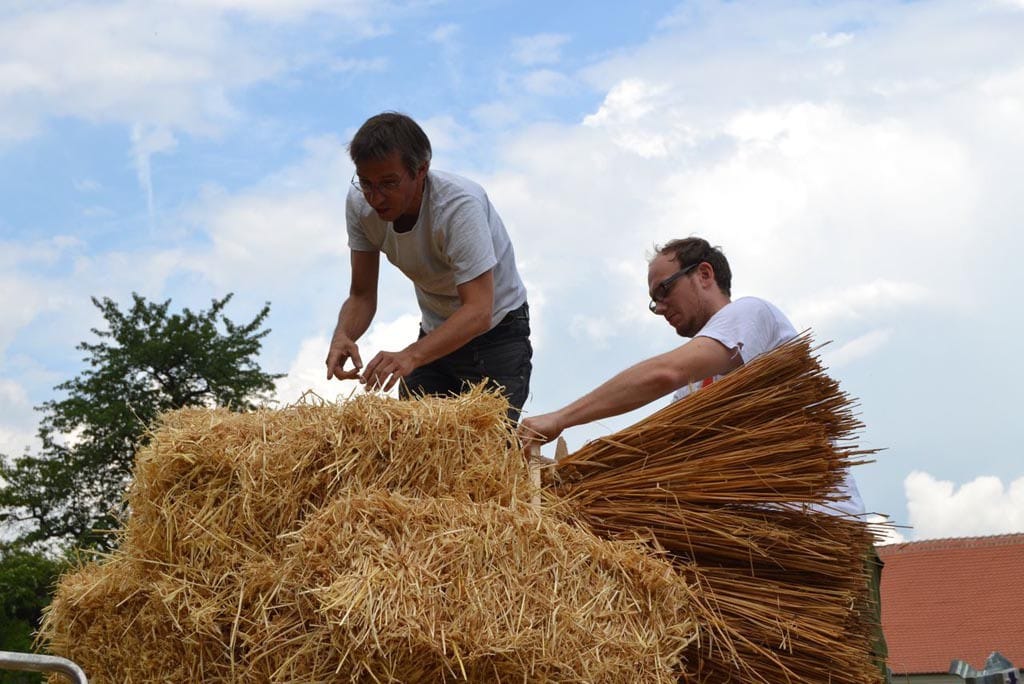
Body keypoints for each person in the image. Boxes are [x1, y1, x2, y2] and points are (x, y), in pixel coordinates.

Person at [518, 236, 887, 677]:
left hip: (818, 532)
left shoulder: (749, 315)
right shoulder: (691, 393)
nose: (660, 308)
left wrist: (561, 418)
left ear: (704, 274)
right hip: (759, 547)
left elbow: (663, 371)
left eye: (664, 291)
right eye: (653, 301)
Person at [325, 112, 532, 420]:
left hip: (497, 333)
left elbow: (478, 311)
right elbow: (362, 295)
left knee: (484, 458)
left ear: (421, 170)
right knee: (414, 448)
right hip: (436, 330)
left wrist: (410, 355)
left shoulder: (458, 207)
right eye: (366, 182)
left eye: (388, 183)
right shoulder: (359, 204)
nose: (375, 197)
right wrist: (343, 334)